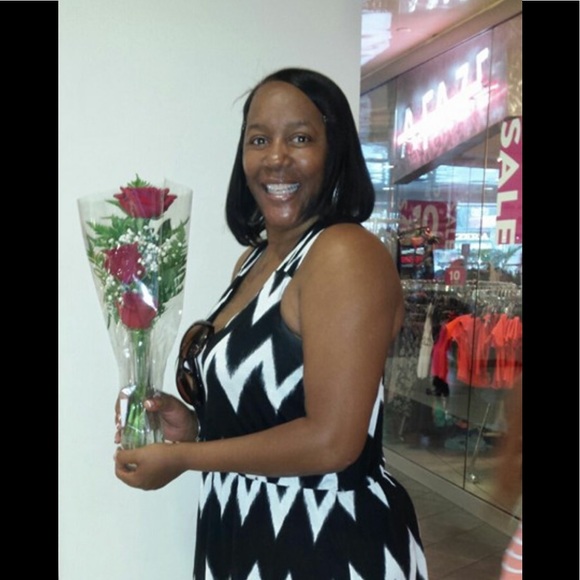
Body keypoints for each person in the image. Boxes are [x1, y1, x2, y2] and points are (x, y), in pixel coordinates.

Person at [115, 67, 428, 580]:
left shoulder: (345, 254)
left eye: (300, 138)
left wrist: (187, 458)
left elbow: (332, 440)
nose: (276, 157)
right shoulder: (253, 262)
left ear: (335, 152)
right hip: (244, 529)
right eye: (259, 139)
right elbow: (272, 417)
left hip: (326, 541)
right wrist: (193, 428)